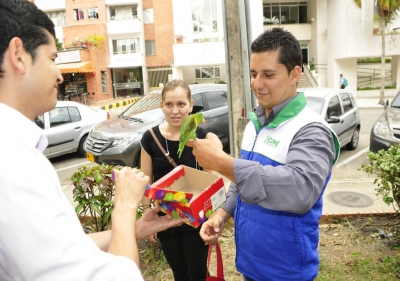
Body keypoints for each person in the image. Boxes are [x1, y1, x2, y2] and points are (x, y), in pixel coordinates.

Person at [0, 1, 188, 280]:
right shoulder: (14, 161)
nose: (60, 74)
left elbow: (59, 251)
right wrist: (124, 206)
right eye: (52, 59)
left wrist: (133, 230)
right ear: (19, 55)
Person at [186, 28, 340, 281]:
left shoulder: (311, 130)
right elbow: (242, 181)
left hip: (286, 272)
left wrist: (222, 163)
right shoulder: (255, 124)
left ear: (295, 74)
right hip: (250, 264)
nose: (257, 84)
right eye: (254, 74)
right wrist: (223, 213)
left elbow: (299, 189)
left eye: (268, 74)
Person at [140, 79, 209, 281]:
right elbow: (146, 180)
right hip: (164, 219)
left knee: (197, 274)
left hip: (194, 219)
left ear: (191, 105)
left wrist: (212, 218)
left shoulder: (200, 135)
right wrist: (146, 213)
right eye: (169, 104)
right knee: (179, 274)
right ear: (161, 105)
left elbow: (210, 179)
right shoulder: (150, 138)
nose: (175, 110)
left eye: (181, 104)